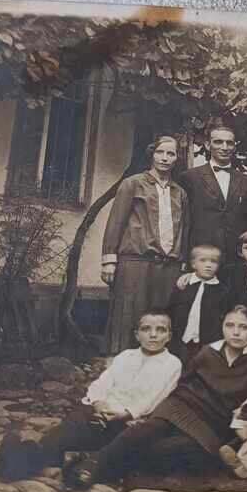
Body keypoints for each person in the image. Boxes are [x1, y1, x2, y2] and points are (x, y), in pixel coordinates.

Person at [63, 306, 247, 489]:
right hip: (182, 407)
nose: (236, 333)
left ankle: (87, 459)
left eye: (244, 327)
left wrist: (242, 434)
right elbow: (185, 383)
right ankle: (94, 466)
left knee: (169, 451)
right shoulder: (208, 352)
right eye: (230, 326)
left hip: (215, 425)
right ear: (222, 327)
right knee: (148, 429)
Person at [0, 311, 181, 481]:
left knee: (88, 437)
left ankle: (13, 462)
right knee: (69, 429)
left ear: (169, 336)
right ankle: (22, 458)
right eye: (146, 329)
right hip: (99, 412)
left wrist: (121, 415)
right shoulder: (126, 356)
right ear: (137, 334)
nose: (153, 335)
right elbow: (103, 383)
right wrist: (98, 403)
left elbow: (152, 398)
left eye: (161, 330)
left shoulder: (172, 364)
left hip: (126, 422)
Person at [101, 135, 189, 355]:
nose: (165, 158)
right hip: (136, 263)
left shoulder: (180, 193)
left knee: (161, 322)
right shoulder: (132, 183)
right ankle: (121, 371)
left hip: (169, 266)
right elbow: (116, 222)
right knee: (130, 319)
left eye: (171, 153)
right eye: (161, 152)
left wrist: (184, 263)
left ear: (177, 158)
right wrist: (109, 260)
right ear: (152, 154)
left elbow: (184, 230)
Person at [175, 124, 247, 260]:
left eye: (229, 143)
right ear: (208, 145)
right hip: (201, 256)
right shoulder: (190, 177)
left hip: (236, 258)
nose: (224, 147)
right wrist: (184, 257)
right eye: (218, 142)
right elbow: (182, 221)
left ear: (234, 147)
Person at [167, 244, 230, 367]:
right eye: (203, 260)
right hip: (180, 339)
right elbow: (171, 309)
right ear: (193, 264)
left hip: (206, 341)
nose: (208, 265)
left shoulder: (222, 291)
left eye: (214, 261)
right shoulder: (183, 285)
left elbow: (223, 317)